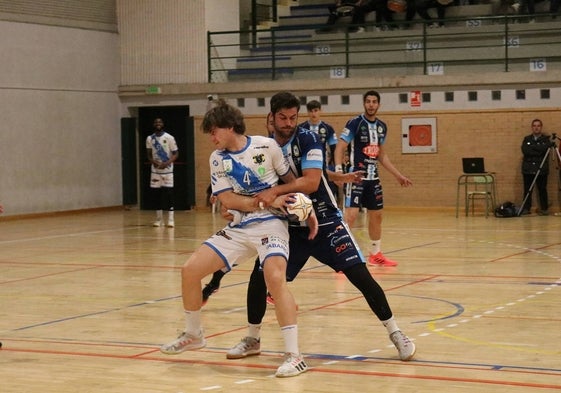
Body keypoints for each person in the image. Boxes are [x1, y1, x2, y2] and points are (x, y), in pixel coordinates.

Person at [225, 91, 416, 364]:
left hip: (326, 222)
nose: (289, 123)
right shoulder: (262, 148)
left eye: (293, 117)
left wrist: (276, 190)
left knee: (361, 277)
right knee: (259, 277)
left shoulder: (308, 138)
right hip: (290, 227)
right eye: (283, 118)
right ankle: (253, 338)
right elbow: (254, 184)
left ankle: (397, 333)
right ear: (271, 118)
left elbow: (312, 182)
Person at [160, 99, 314, 378]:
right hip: (242, 226)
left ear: (230, 127)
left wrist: (296, 206)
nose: (212, 137)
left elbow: (291, 184)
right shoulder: (217, 158)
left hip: (272, 226)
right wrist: (263, 202)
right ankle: (194, 334)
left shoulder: (266, 147)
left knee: (275, 279)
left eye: (214, 131)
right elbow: (227, 199)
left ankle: (294, 355)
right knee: (189, 271)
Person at [334, 90, 412, 267]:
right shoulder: (354, 123)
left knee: (377, 216)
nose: (371, 104)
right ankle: (341, 257)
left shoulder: (382, 126)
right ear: (364, 103)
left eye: (374, 102)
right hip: (356, 177)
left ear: (378, 104)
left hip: (373, 179)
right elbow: (339, 148)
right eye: (368, 101)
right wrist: (339, 172)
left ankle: (376, 254)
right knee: (351, 216)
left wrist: (398, 176)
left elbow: (382, 156)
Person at [298, 100, 339, 198]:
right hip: (304, 169)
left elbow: (334, 149)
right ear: (307, 112)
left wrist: (335, 167)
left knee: (324, 196)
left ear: (320, 111)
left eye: (316, 110)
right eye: (311, 111)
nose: (313, 113)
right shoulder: (301, 128)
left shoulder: (328, 128)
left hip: (323, 169)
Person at [146, 118, 179, 227]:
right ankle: (159, 219)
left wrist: (167, 162)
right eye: (156, 122)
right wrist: (153, 161)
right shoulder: (150, 138)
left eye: (160, 122)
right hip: (155, 171)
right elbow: (149, 154)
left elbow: (175, 153)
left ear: (163, 124)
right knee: (156, 195)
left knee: (169, 194)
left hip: (168, 171)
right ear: (153, 124)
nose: (158, 124)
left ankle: (171, 219)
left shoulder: (169, 138)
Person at [520, 118, 552, 215]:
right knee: (527, 189)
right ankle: (526, 208)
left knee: (542, 189)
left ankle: (544, 208)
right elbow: (525, 151)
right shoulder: (527, 139)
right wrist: (538, 150)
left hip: (541, 169)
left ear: (541, 127)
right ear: (532, 127)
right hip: (528, 169)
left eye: (538, 126)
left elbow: (545, 150)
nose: (536, 128)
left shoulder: (546, 139)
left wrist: (533, 148)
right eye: (534, 126)